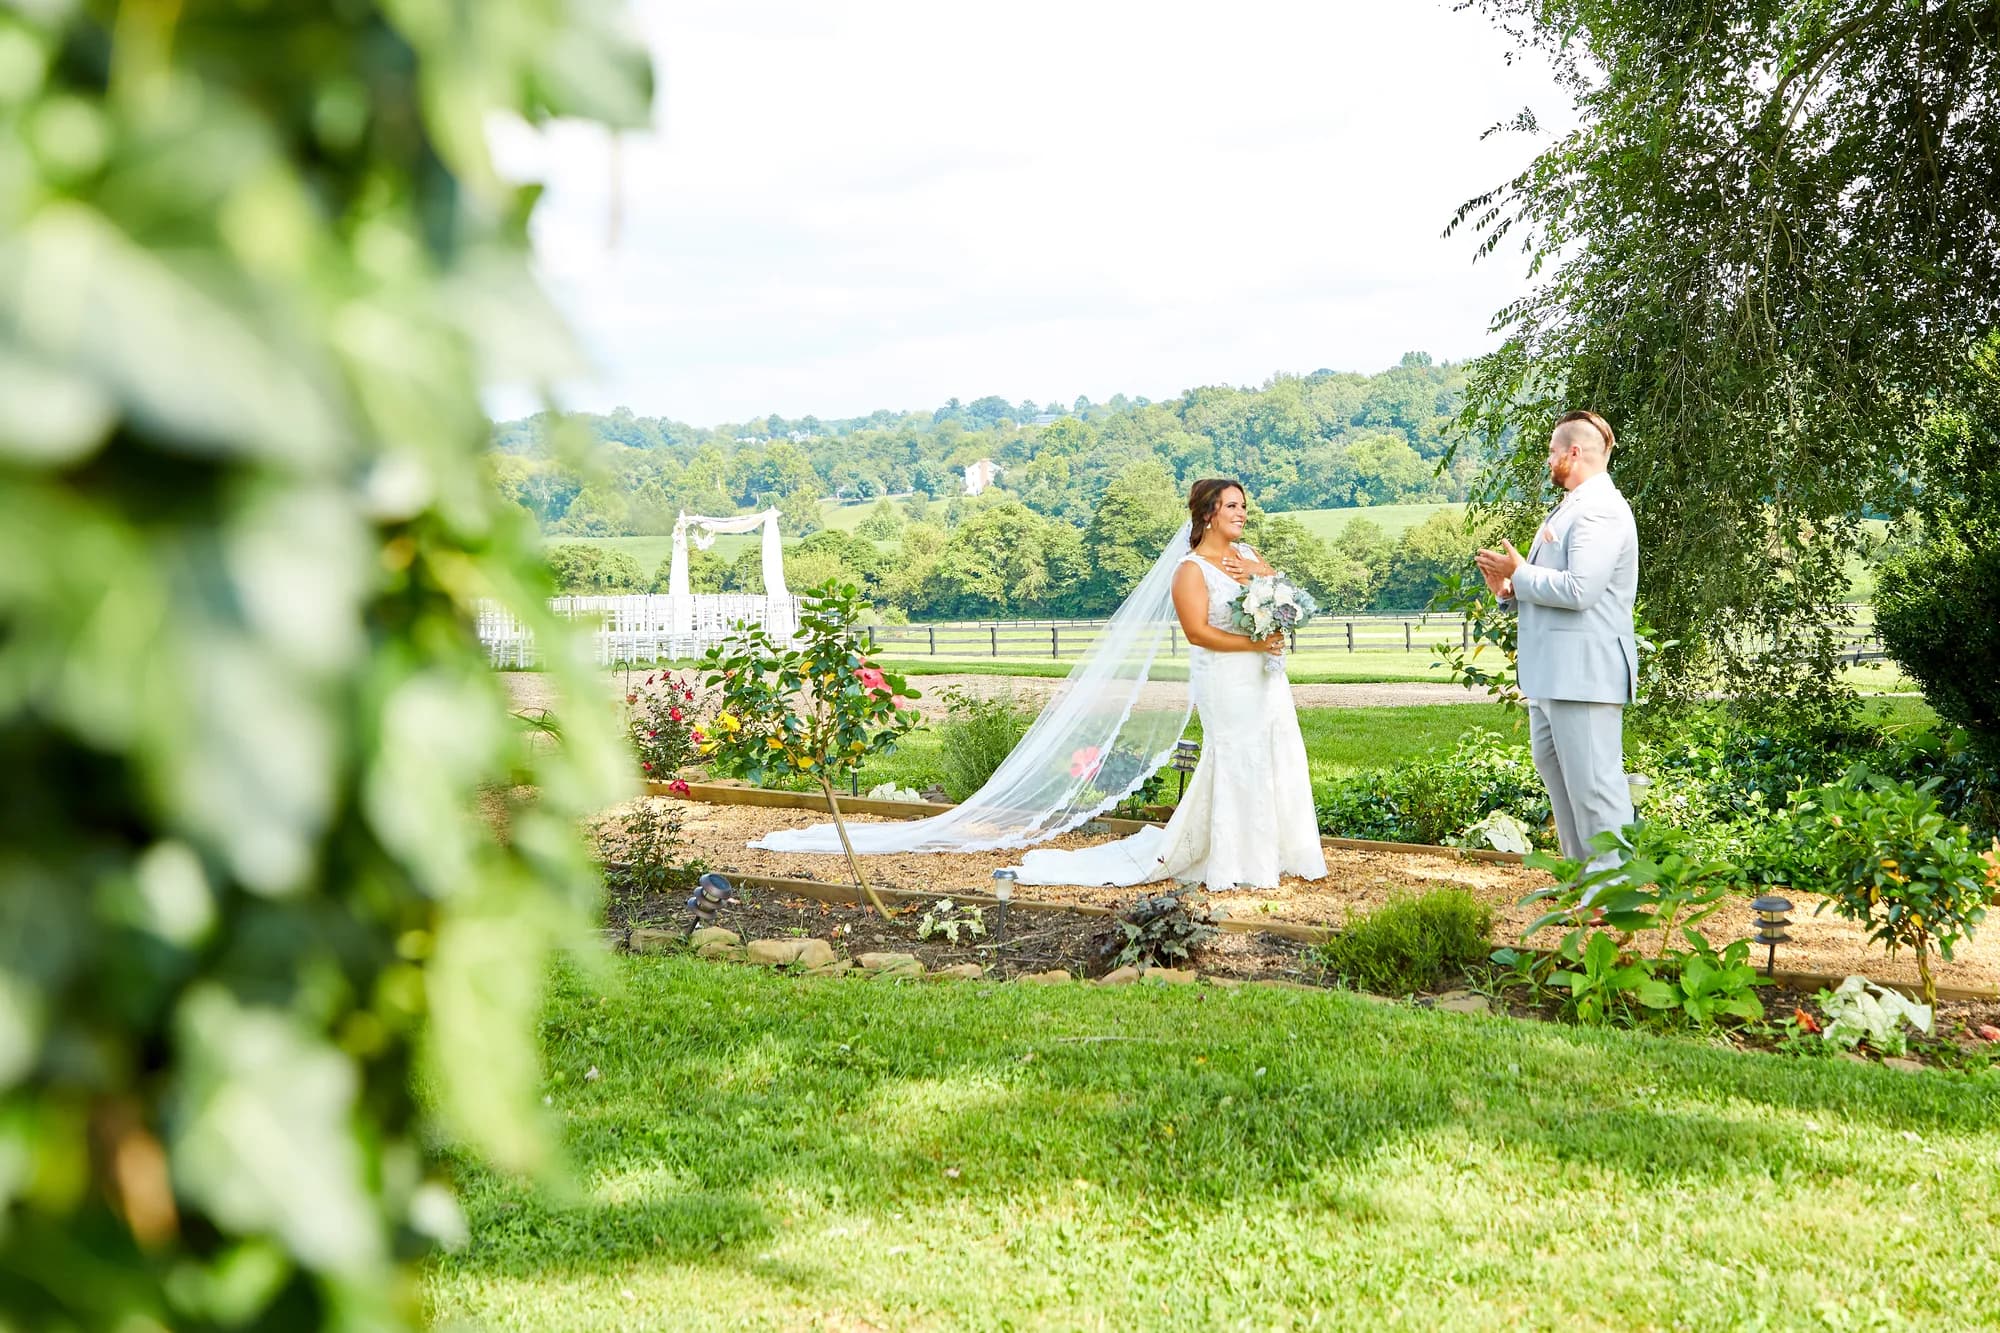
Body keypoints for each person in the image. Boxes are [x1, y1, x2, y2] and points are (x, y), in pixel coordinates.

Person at [1009, 479, 1328, 890]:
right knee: (1237, 756)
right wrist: (1254, 642)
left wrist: (1259, 574)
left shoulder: (1249, 555)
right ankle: (1235, 860)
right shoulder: (1190, 570)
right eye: (1231, 506)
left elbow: (1290, 600)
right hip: (1226, 680)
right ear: (1209, 514)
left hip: (1266, 677)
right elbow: (1197, 632)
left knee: (1277, 747)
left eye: (1243, 506)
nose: (1241, 513)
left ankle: (1281, 850)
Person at [1474, 410, 1640, 886]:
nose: (1548, 459)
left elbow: (1581, 590)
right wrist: (1508, 591)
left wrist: (1519, 574)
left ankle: (1612, 894)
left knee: (1594, 786)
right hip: (1552, 677)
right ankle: (1581, 884)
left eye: (1552, 451)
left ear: (1573, 452)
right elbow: (1551, 587)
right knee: (1563, 783)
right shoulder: (1569, 506)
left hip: (1585, 675)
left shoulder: (1601, 508)